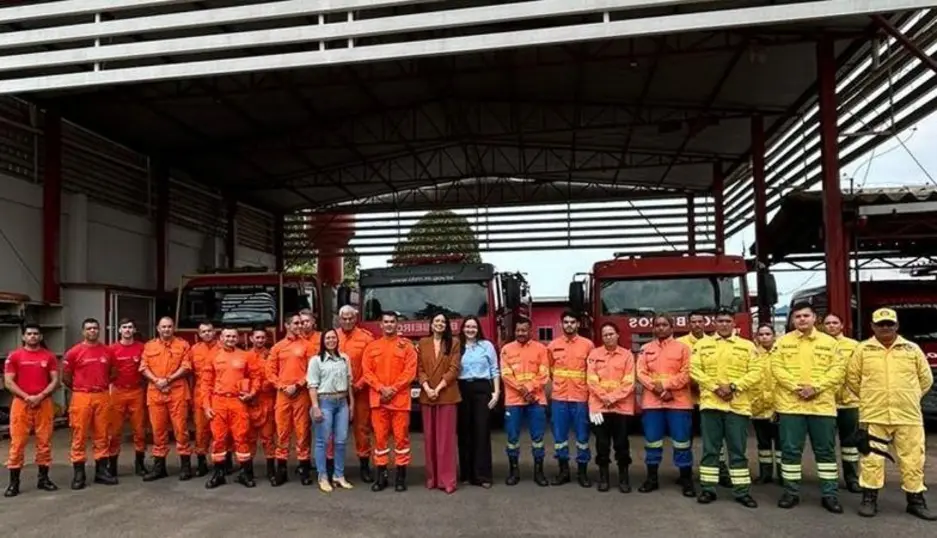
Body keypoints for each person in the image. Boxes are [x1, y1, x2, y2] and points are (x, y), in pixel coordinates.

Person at [846, 308, 936, 520]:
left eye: (889, 324)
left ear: (896, 326)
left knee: (913, 459)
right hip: (874, 416)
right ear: (873, 327)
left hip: (908, 416)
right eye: (881, 324)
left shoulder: (912, 349)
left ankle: (915, 501)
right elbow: (852, 379)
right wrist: (872, 397)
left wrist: (909, 396)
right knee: (871, 459)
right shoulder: (863, 350)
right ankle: (869, 499)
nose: (885, 328)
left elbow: (926, 380)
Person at [772, 302, 845, 513]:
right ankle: (791, 492)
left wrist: (816, 388)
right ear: (793, 320)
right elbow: (776, 368)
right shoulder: (783, 342)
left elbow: (838, 370)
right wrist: (797, 388)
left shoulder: (830, 343)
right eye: (797, 317)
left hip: (821, 407)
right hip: (791, 406)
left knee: (825, 452)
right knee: (790, 451)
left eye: (806, 316)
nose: (802, 319)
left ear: (815, 318)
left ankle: (830, 494)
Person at [690, 309, 760, 508]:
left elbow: (756, 372)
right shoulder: (703, 345)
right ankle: (708, 489)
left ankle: (742, 492)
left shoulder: (746, 346)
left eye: (727, 321)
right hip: (711, 405)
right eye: (720, 321)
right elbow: (695, 370)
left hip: (737, 406)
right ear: (715, 323)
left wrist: (733, 387)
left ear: (733, 323)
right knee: (710, 450)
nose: (723, 324)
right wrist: (715, 387)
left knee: (737, 451)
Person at [636, 314, 694, 497]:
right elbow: (640, 373)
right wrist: (659, 390)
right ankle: (652, 479)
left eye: (664, 325)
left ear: (672, 327)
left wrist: (667, 386)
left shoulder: (684, 348)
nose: (661, 328)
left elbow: (687, 373)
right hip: (652, 403)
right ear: (653, 328)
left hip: (679, 402)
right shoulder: (645, 349)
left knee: (682, 442)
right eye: (657, 325)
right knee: (652, 442)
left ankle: (686, 479)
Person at [362, 311, 418, 492]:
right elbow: (367, 372)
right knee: (380, 440)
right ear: (381, 325)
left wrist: (393, 389)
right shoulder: (372, 347)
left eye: (392, 322)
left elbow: (410, 372)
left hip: (400, 400)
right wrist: (381, 388)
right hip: (379, 401)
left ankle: (400, 478)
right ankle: (382, 477)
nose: (389, 325)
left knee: (401, 440)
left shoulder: (407, 346)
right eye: (386, 322)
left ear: (397, 324)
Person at [3, 324, 60, 497]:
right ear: (23, 337)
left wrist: (40, 395)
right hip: (21, 404)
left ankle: (43, 479)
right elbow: (8, 382)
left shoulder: (49, 356)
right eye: (29, 334)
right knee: (17, 444)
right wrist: (27, 396)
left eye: (36, 334)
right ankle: (14, 483)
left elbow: (55, 380)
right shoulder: (14, 356)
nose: (33, 336)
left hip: (44, 403)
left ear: (41, 337)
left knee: (44, 442)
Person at [201, 327, 260, 488]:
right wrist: (206, 406)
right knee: (219, 439)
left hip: (238, 402)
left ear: (238, 338)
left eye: (233, 336)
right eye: (227, 336)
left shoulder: (245, 356)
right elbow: (205, 383)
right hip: (218, 402)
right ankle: (219, 474)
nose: (230, 339)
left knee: (242, 437)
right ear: (221, 337)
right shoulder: (213, 356)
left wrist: (251, 393)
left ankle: (245, 473)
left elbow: (255, 377)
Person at [63, 318, 119, 489]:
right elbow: (65, 376)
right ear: (83, 332)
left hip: (101, 395)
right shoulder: (74, 352)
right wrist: (80, 389)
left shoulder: (107, 351)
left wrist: (101, 385)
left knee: (102, 434)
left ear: (99, 330)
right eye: (89, 328)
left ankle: (101, 471)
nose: (92, 331)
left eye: (95, 328)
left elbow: (113, 373)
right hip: (81, 396)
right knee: (79, 434)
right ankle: (79, 473)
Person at [267, 313, 318, 486]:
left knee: (303, 431)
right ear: (287, 325)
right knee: (282, 432)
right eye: (295, 323)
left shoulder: (308, 346)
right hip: (283, 394)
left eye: (301, 323)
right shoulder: (277, 347)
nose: (299, 326)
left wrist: (298, 384)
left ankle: (304, 469)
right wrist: (282, 386)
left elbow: (313, 370)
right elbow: (270, 371)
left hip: (301, 393)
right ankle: (281, 470)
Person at [140, 316, 194, 482]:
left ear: (173, 328)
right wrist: (157, 381)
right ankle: (159, 467)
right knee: (158, 431)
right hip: (156, 392)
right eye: (163, 327)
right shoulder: (149, 346)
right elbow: (143, 367)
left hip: (177, 392)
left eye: (169, 327)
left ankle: (185, 467)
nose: (166, 330)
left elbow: (186, 366)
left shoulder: (183, 345)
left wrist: (168, 380)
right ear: (158, 328)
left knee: (181, 431)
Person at [546, 310, 594, 487]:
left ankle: (582, 473)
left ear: (578, 324)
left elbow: (592, 371)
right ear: (561, 324)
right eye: (565, 322)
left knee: (582, 437)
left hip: (580, 397)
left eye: (572, 322)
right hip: (559, 398)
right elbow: (549, 370)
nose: (569, 325)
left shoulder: (588, 345)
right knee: (560, 437)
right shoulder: (552, 346)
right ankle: (563, 471)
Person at [587, 322, 636, 493]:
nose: (608, 337)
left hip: (620, 407)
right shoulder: (594, 355)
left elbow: (629, 382)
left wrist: (612, 398)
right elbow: (591, 380)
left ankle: (624, 478)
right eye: (605, 334)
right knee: (602, 444)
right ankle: (604, 478)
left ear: (617, 335)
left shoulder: (627, 356)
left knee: (622, 443)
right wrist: (604, 398)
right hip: (599, 408)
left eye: (611, 334)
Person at [501, 317, 550, 487]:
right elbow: (506, 374)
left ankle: (539, 472)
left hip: (536, 400)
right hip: (514, 401)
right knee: (512, 437)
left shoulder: (541, 349)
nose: (521, 333)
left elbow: (544, 374)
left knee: (538, 437)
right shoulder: (506, 349)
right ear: (514, 331)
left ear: (531, 331)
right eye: (518, 330)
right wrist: (523, 390)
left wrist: (529, 388)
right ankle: (514, 471)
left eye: (524, 330)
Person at [417, 313, 462, 494]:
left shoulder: (454, 342)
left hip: (447, 395)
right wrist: (428, 388)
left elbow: (454, 368)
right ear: (431, 324)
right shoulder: (423, 343)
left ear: (447, 325)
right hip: (427, 395)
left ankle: (447, 480)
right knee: (430, 439)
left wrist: (439, 388)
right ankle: (432, 478)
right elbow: (419, 369)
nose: (440, 324)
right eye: (436, 321)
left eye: (443, 322)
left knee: (446, 440)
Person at [309, 328, 355, 492]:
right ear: (323, 341)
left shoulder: (344, 359)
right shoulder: (316, 360)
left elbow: (349, 383)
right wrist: (315, 407)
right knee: (322, 441)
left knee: (341, 441)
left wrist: (352, 404)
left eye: (333, 338)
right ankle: (322, 476)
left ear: (338, 340)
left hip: (342, 402)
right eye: (327, 338)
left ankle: (338, 475)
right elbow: (312, 386)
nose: (331, 340)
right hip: (324, 402)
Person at [456, 316, 499, 488]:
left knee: (481, 432)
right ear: (463, 329)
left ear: (478, 328)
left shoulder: (487, 346)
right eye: (467, 326)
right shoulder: (457, 347)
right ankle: (466, 473)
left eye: (473, 327)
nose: (470, 330)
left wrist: (496, 393)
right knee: (464, 432)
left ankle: (482, 475)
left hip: (482, 390)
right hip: (462, 389)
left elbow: (495, 369)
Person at [337, 305, 376, 483]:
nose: (347, 321)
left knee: (362, 429)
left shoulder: (366, 338)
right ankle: (336, 467)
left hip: (360, 391)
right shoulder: (332, 336)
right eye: (344, 318)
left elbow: (371, 366)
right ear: (339, 319)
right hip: (336, 393)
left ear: (355, 318)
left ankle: (364, 466)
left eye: (350, 318)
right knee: (335, 431)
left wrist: (360, 384)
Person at [823, 312, 861, 493]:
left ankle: (852, 478)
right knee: (826, 444)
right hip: (825, 402)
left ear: (842, 325)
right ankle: (829, 481)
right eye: (827, 323)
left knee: (850, 444)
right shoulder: (819, 345)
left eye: (834, 322)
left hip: (849, 402)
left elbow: (861, 373)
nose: (831, 326)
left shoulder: (854, 346)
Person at [107, 318, 149, 477]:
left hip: (137, 392)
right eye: (124, 327)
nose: (127, 330)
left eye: (130, 327)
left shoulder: (142, 348)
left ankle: (140, 464)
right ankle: (112, 466)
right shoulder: (112, 349)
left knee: (139, 430)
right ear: (119, 330)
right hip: (118, 391)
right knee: (115, 430)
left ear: (134, 330)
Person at [188, 321, 221, 477]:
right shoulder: (194, 350)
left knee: (220, 430)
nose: (207, 334)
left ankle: (222, 462)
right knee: (201, 429)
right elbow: (189, 374)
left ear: (214, 332)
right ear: (199, 334)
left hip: (219, 392)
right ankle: (201, 462)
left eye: (209, 330)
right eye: (203, 331)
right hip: (200, 393)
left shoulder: (222, 347)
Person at [245, 327, 277, 485]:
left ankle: (271, 472)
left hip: (268, 401)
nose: (260, 340)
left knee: (268, 437)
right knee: (249, 438)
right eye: (257, 337)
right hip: (250, 402)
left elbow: (275, 376)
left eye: (263, 337)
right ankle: (248, 472)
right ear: (251, 339)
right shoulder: (245, 357)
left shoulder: (271, 356)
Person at [750, 323, 780, 485]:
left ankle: (784, 475)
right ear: (756, 337)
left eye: (768, 334)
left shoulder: (782, 353)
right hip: (758, 406)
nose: (764, 337)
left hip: (779, 406)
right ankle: (765, 474)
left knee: (782, 443)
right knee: (763, 444)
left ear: (774, 336)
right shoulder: (753, 354)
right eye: (761, 334)